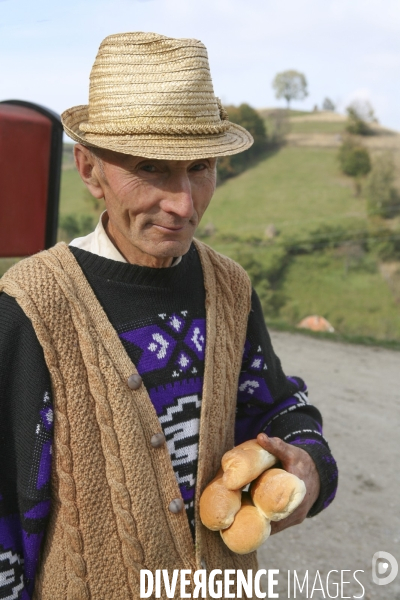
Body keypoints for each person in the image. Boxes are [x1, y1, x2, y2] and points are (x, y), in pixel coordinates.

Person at [0, 32, 338, 599]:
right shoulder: (34, 306)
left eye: (200, 168)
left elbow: (275, 405)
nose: (184, 203)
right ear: (89, 170)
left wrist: (308, 463)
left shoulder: (228, 287)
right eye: (151, 168)